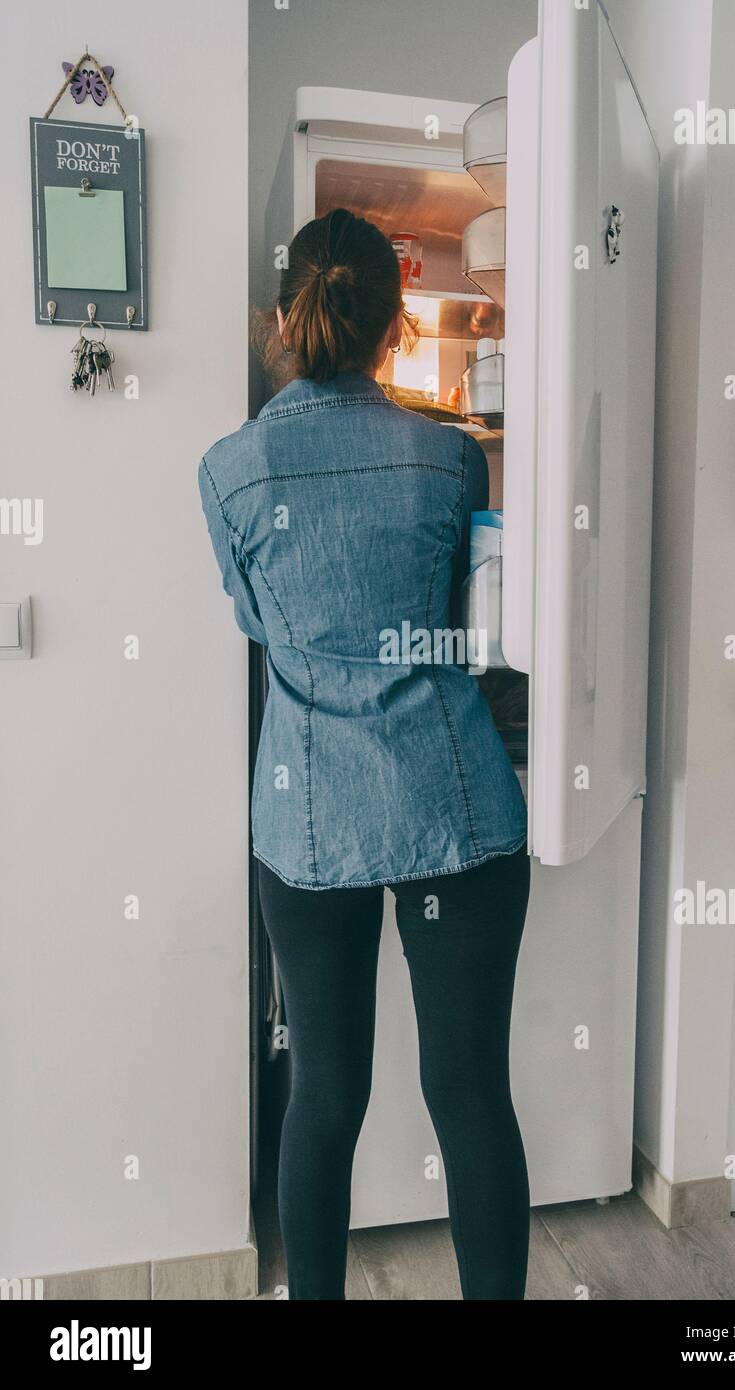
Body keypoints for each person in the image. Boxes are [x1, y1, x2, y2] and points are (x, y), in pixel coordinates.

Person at [198, 207, 530, 1300]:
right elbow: (456, 621)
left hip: (308, 812)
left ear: (291, 320)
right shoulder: (447, 457)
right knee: (471, 1092)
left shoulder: (230, 470)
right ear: (395, 328)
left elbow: (257, 622)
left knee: (323, 1093)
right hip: (453, 804)